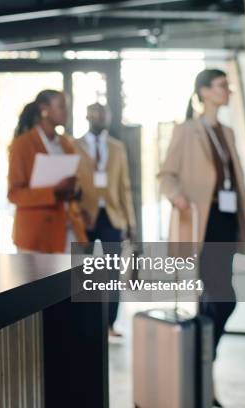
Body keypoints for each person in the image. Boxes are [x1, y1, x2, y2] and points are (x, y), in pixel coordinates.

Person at [158, 69, 245, 407]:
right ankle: (202, 364)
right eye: (223, 86)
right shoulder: (187, 131)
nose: (228, 91)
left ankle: (201, 367)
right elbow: (165, 174)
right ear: (205, 92)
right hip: (200, 224)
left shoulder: (229, 133)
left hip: (226, 222)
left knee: (215, 299)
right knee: (222, 298)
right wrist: (177, 196)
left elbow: (238, 184)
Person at [75, 103, 136, 340]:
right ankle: (85, 321)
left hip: (113, 217)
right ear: (87, 117)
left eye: (104, 114)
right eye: (95, 114)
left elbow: (125, 187)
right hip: (85, 217)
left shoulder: (117, 148)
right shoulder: (74, 146)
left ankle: (110, 323)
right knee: (84, 271)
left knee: (112, 273)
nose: (100, 118)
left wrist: (131, 221)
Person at [8, 90, 87, 253]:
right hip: (36, 235)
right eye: (61, 107)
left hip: (68, 229)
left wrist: (74, 190)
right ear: (44, 109)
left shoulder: (66, 143)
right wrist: (54, 191)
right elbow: (14, 194)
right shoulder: (22, 145)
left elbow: (76, 181)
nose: (66, 112)